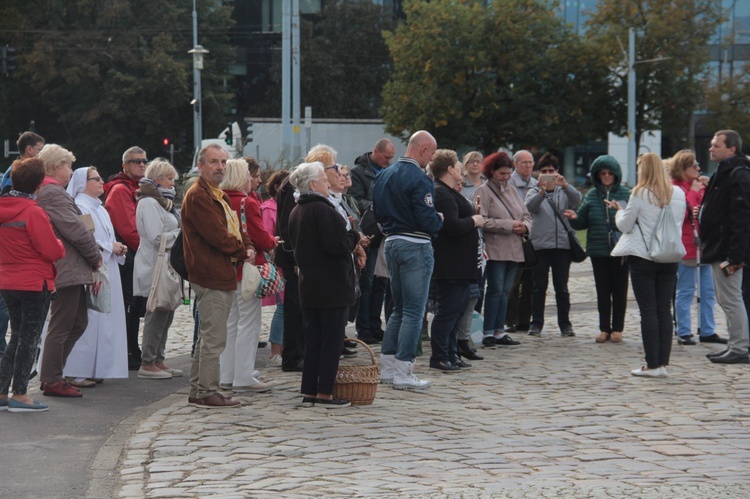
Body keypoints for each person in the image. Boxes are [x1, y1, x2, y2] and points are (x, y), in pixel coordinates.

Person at [182, 144, 254, 408]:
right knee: (214, 339)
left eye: (223, 162)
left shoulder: (217, 194)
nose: (220, 167)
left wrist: (247, 244)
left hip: (220, 270)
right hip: (210, 272)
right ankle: (206, 391)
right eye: (214, 162)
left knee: (208, 337)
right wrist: (242, 249)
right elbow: (218, 235)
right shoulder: (199, 195)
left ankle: (199, 389)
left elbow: (235, 226)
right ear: (200, 166)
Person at [288, 162, 362, 408]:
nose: (328, 183)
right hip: (332, 286)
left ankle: (310, 389)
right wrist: (353, 233)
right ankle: (325, 393)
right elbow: (337, 246)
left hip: (310, 285)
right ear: (312, 184)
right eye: (323, 179)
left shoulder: (297, 211)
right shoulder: (322, 210)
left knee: (314, 341)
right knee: (331, 342)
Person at [373, 130, 442, 390]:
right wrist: (439, 221)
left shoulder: (384, 175)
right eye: (432, 154)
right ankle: (404, 370)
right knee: (414, 310)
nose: (431, 159)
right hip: (415, 244)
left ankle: (389, 369)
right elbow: (427, 218)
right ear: (423, 150)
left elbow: (377, 213)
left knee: (398, 309)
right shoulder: (419, 177)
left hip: (391, 242)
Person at [610, 153, 686, 377]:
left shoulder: (640, 193)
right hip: (670, 256)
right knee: (664, 310)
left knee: (649, 311)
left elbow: (625, 226)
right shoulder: (679, 193)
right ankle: (663, 363)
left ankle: (652, 364)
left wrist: (619, 212)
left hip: (643, 257)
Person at [37, 145, 102, 398]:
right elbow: (75, 229)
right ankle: (52, 379)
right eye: (68, 166)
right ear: (55, 167)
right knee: (63, 324)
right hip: (67, 266)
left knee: (76, 321)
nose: (71, 171)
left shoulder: (52, 192)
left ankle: (53, 375)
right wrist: (95, 256)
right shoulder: (52, 193)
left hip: (70, 266)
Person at [0, 158, 65, 412]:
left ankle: (3, 391)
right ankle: (20, 395)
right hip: (34, 282)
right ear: (39, 185)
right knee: (29, 338)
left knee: (16, 337)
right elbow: (52, 250)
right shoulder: (33, 211)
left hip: (7, 280)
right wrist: (60, 245)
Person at [62, 167, 129, 386]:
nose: (102, 182)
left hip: (106, 267)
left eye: (101, 178)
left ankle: (95, 367)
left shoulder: (99, 207)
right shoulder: (80, 206)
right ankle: (77, 370)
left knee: (104, 320)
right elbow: (85, 240)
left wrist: (115, 247)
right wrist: (111, 247)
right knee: (89, 321)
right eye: (96, 179)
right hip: (92, 269)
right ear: (82, 183)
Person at [220, 157, 276, 394]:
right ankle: (243, 375)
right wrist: (273, 241)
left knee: (231, 322)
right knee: (249, 323)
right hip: (248, 268)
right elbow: (261, 237)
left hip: (227, 269)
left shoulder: (219, 199)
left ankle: (228, 373)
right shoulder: (247, 202)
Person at [565, 155, 631, 344]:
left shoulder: (626, 193)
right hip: (598, 249)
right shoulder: (592, 195)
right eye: (603, 173)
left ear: (616, 174)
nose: (607, 176)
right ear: (598, 175)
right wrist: (575, 218)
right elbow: (583, 221)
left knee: (620, 290)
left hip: (620, 249)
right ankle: (604, 328)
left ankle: (618, 328)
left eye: (610, 173)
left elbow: (632, 220)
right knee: (603, 291)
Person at [429, 150, 485, 372]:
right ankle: (440, 356)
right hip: (451, 265)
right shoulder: (441, 193)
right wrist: (474, 220)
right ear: (450, 169)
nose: (461, 170)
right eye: (458, 166)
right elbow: (450, 226)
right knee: (448, 311)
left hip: (461, 264)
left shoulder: (449, 192)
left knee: (457, 311)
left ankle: (451, 353)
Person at [700, 130, 750, 364]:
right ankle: (736, 344)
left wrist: (735, 256)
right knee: (727, 300)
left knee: (731, 300)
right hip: (719, 247)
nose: (711, 149)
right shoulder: (725, 172)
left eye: (716, 145)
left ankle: (740, 348)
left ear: (731, 149)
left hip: (727, 250)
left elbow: (742, 219)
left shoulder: (737, 174)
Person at [668, 150, 725, 346]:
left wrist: (708, 190)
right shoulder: (675, 189)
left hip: (705, 245)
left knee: (708, 290)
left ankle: (707, 329)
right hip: (687, 245)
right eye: (694, 165)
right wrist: (693, 191)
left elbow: (706, 211)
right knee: (685, 290)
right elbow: (685, 214)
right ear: (683, 168)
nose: (698, 169)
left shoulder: (699, 186)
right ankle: (683, 330)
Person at [474, 152, 531, 348]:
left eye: (508, 173)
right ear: (491, 172)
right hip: (496, 247)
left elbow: (526, 214)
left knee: (506, 291)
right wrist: (508, 225)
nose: (506, 177)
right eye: (502, 173)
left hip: (515, 248)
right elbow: (482, 219)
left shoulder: (513, 191)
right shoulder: (483, 191)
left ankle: (500, 331)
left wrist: (525, 227)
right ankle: (489, 331)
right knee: (495, 290)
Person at [133, 159, 183, 380]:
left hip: (168, 264)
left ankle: (159, 358)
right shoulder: (150, 203)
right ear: (158, 179)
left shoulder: (163, 202)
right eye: (169, 178)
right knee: (156, 310)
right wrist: (180, 235)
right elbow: (156, 237)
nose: (172, 184)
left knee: (167, 310)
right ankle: (148, 361)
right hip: (155, 263)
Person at [525, 152, 582, 337]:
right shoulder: (533, 190)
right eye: (544, 171)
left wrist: (565, 185)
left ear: (557, 171)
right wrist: (542, 191)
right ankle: (536, 323)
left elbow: (577, 201)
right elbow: (530, 207)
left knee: (562, 287)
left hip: (562, 247)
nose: (548, 173)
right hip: (540, 246)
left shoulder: (563, 190)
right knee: (538, 287)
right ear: (538, 173)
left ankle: (565, 324)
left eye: (551, 170)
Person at [0, 131, 45, 357]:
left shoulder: (16, 171)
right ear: (29, 149)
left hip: (12, 261)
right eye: (40, 149)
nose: (42, 154)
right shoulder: (18, 173)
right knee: (8, 314)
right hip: (17, 260)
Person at [105, 146, 149, 370]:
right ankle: (129, 351)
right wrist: (148, 251)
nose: (141, 164)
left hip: (135, 256)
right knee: (130, 305)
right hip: (129, 258)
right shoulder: (121, 190)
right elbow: (129, 229)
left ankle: (132, 349)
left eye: (144, 161)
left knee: (135, 304)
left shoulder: (138, 188)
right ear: (125, 165)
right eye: (136, 161)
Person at [350, 139, 395, 345]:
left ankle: (376, 326)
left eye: (391, 158)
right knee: (367, 282)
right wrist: (382, 206)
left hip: (384, 231)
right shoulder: (358, 172)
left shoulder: (389, 171)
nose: (389, 161)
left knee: (381, 282)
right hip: (369, 232)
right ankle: (364, 328)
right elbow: (356, 201)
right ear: (375, 152)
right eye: (386, 157)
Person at [505, 149, 537, 332]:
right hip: (514, 236)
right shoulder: (509, 183)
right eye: (524, 162)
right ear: (515, 164)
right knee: (512, 282)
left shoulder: (536, 183)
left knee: (531, 283)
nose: (528, 165)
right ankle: (511, 320)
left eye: (531, 162)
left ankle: (525, 320)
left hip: (533, 238)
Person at [261, 169, 290, 367]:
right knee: (282, 307)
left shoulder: (284, 205)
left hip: (285, 259)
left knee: (287, 306)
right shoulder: (270, 208)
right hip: (277, 261)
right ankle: (275, 351)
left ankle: (285, 347)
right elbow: (265, 235)